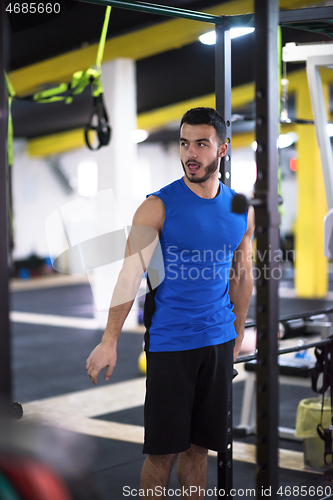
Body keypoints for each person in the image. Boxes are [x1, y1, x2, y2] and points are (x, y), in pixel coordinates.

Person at [86, 107, 255, 499]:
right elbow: (130, 275)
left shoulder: (238, 208)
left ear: (223, 149)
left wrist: (236, 333)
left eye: (201, 143)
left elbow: (243, 275)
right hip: (171, 343)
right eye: (184, 143)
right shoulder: (157, 206)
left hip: (216, 342)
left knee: (199, 450)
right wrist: (109, 341)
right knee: (163, 454)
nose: (190, 153)